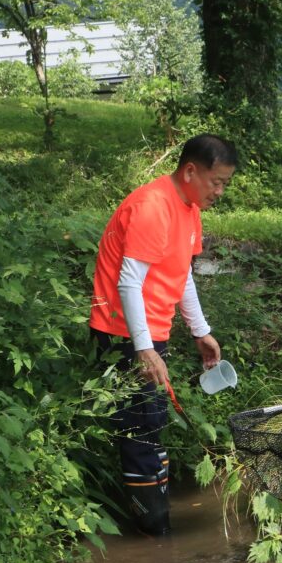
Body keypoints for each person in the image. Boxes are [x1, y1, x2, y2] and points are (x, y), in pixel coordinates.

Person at [89, 134, 236, 536]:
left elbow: (181, 272)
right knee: (141, 430)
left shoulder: (189, 208)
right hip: (123, 334)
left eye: (225, 184)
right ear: (190, 171)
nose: (220, 191)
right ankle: (155, 535)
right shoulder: (154, 206)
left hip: (152, 332)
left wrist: (200, 331)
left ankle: (156, 525)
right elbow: (129, 281)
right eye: (216, 182)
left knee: (150, 425)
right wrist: (143, 349)